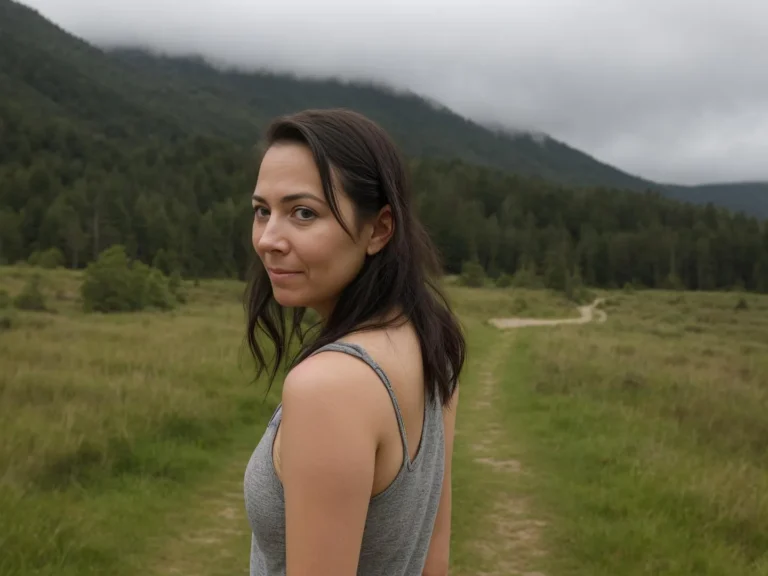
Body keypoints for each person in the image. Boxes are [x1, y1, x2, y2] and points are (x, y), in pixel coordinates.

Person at [243, 108, 466, 576]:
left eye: (303, 213)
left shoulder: (330, 387)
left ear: (379, 229)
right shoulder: (430, 345)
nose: (268, 239)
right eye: (263, 211)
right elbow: (434, 563)